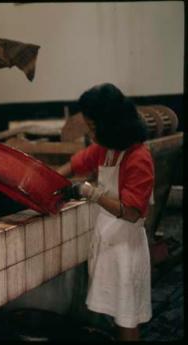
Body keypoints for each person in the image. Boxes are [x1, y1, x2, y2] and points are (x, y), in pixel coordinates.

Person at [56, 83, 154, 341]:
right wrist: (44, 181)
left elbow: (132, 212)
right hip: (109, 241)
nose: (91, 133)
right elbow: (76, 163)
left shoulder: (138, 157)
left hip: (126, 248)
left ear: (110, 123)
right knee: (116, 315)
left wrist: (92, 192)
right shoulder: (107, 149)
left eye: (92, 127)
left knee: (127, 319)